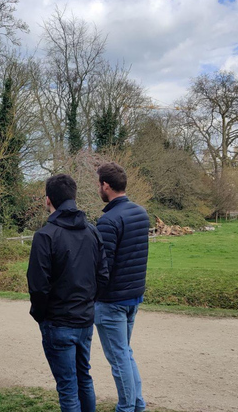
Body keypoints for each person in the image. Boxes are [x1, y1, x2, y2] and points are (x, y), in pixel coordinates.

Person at [27, 174, 108, 412]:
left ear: (48, 200)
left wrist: (42, 316)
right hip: (83, 319)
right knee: (84, 378)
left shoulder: (45, 236)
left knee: (68, 387)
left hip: (59, 322)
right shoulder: (92, 232)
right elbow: (102, 276)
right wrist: (88, 303)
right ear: (73, 197)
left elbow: (38, 287)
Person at [94, 163, 151, 412]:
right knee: (125, 354)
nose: (98, 188)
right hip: (133, 296)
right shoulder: (141, 213)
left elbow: (102, 268)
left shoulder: (108, 220)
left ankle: (126, 407)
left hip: (112, 302)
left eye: (99, 184)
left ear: (106, 186)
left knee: (118, 358)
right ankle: (137, 404)